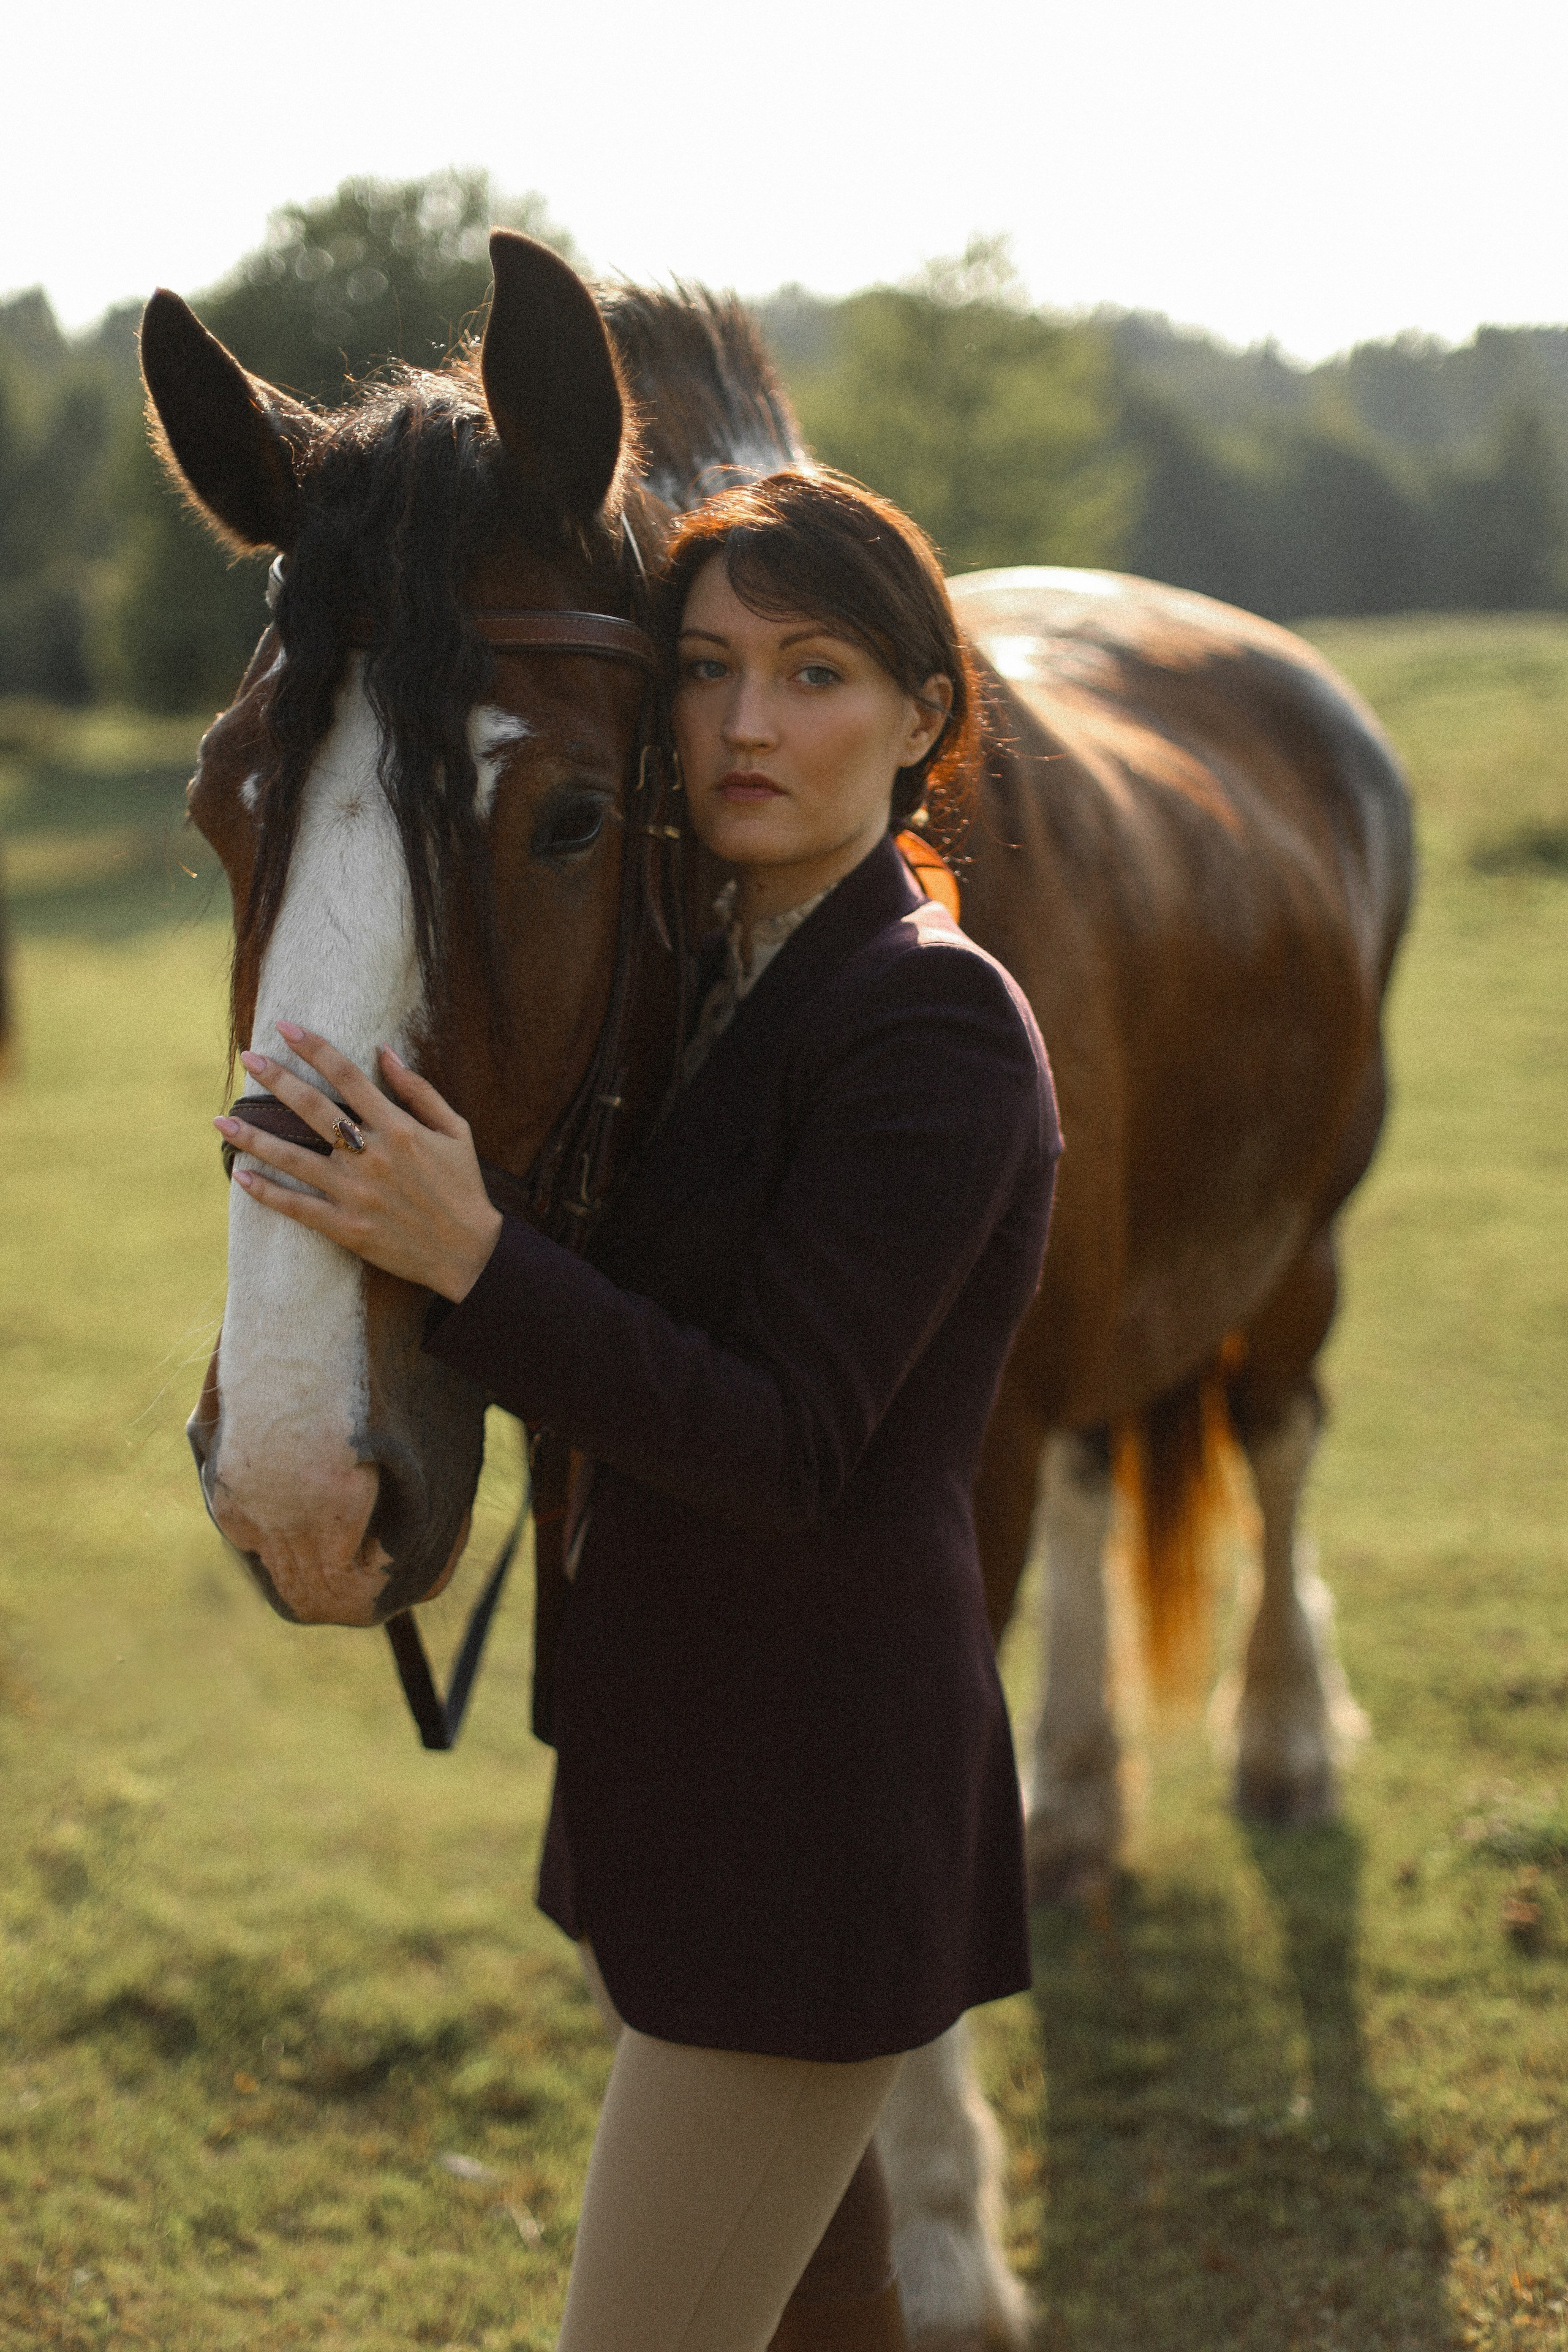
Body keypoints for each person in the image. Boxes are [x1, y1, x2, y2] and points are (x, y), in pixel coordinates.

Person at [217, 468, 1061, 2352]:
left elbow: (785, 1442)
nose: (748, 724)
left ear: (926, 716)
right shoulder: (714, 992)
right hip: (679, 1797)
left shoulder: (933, 1023)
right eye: (708, 670)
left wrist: (471, 1260)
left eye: (817, 670)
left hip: (807, 1835)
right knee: (825, 2319)